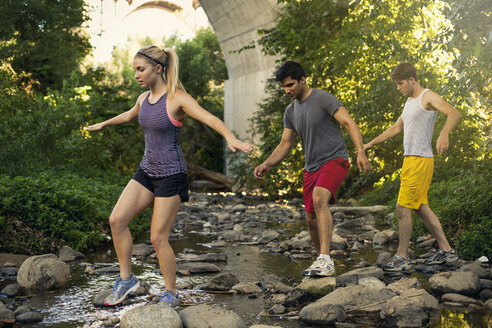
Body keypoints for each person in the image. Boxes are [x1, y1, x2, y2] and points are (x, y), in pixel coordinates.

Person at [87, 45, 253, 307]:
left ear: (158, 68)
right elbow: (130, 115)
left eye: (141, 69)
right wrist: (105, 123)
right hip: (146, 171)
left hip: (171, 175)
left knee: (157, 238)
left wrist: (230, 137)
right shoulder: (143, 99)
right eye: (135, 70)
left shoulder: (177, 98)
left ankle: (171, 293)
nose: (136, 75)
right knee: (117, 220)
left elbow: (210, 119)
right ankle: (127, 280)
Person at [254, 61, 370, 277]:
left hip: (335, 159)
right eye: (284, 87)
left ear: (303, 80)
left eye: (290, 85)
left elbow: (349, 123)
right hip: (312, 167)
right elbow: (285, 143)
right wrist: (267, 163)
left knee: (319, 200)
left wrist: (360, 151)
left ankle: (326, 259)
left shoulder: (323, 98)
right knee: (310, 218)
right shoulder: (290, 111)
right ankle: (322, 261)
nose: (287, 90)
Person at [364, 62, 461, 272]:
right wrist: (370, 143)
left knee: (402, 207)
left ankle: (402, 257)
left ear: (411, 80)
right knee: (420, 207)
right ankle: (447, 251)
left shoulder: (428, 96)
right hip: (410, 160)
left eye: (400, 83)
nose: (398, 88)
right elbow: (396, 127)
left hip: (421, 159)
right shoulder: (409, 102)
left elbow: (453, 113)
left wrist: (444, 134)